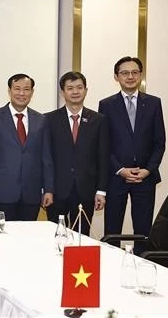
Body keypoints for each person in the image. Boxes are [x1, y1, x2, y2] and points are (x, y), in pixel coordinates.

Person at [98, 56, 165, 252]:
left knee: (143, 231)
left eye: (134, 72)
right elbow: (104, 144)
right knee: (112, 231)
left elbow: (159, 142)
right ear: (116, 77)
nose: (130, 76)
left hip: (145, 178)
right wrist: (119, 169)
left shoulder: (153, 103)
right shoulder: (107, 105)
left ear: (140, 75)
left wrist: (148, 170)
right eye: (124, 73)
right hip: (116, 177)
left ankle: (143, 269)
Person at [0, 73, 54, 221]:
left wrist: (48, 189)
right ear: (9, 91)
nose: (22, 93)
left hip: (31, 193)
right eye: (17, 89)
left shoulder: (41, 120)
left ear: (32, 92)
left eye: (26, 89)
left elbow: (46, 157)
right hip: (2, 192)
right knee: (2, 238)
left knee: (28, 238)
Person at [45, 71, 109, 235]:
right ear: (62, 92)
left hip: (86, 190)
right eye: (70, 88)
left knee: (82, 237)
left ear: (86, 90)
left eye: (79, 87)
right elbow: (46, 158)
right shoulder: (49, 119)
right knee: (55, 235)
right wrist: (46, 189)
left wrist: (101, 191)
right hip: (56, 191)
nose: (75, 92)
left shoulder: (98, 120)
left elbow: (103, 157)